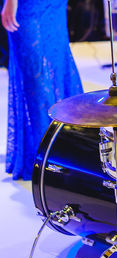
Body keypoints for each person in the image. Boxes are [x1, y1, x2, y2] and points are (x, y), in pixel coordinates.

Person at [1, 0, 83, 180]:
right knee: (35, 77)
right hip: (29, 5)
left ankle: (64, 150)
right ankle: (47, 156)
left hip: (52, 5)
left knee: (58, 67)